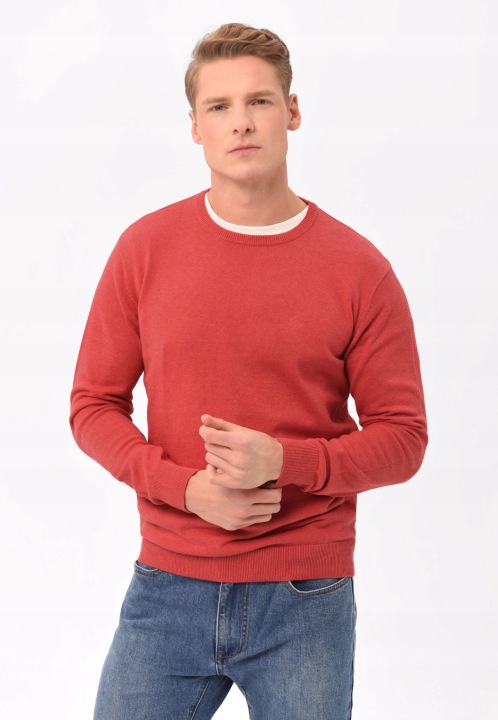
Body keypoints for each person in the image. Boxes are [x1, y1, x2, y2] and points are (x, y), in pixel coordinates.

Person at [70, 22, 428, 720]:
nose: (241, 122)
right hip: (167, 582)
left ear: (292, 112)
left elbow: (405, 439)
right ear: (195, 127)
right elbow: (92, 405)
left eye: (259, 101)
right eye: (219, 106)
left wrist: (287, 462)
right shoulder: (144, 250)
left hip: (305, 595)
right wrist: (184, 490)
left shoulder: (359, 270)